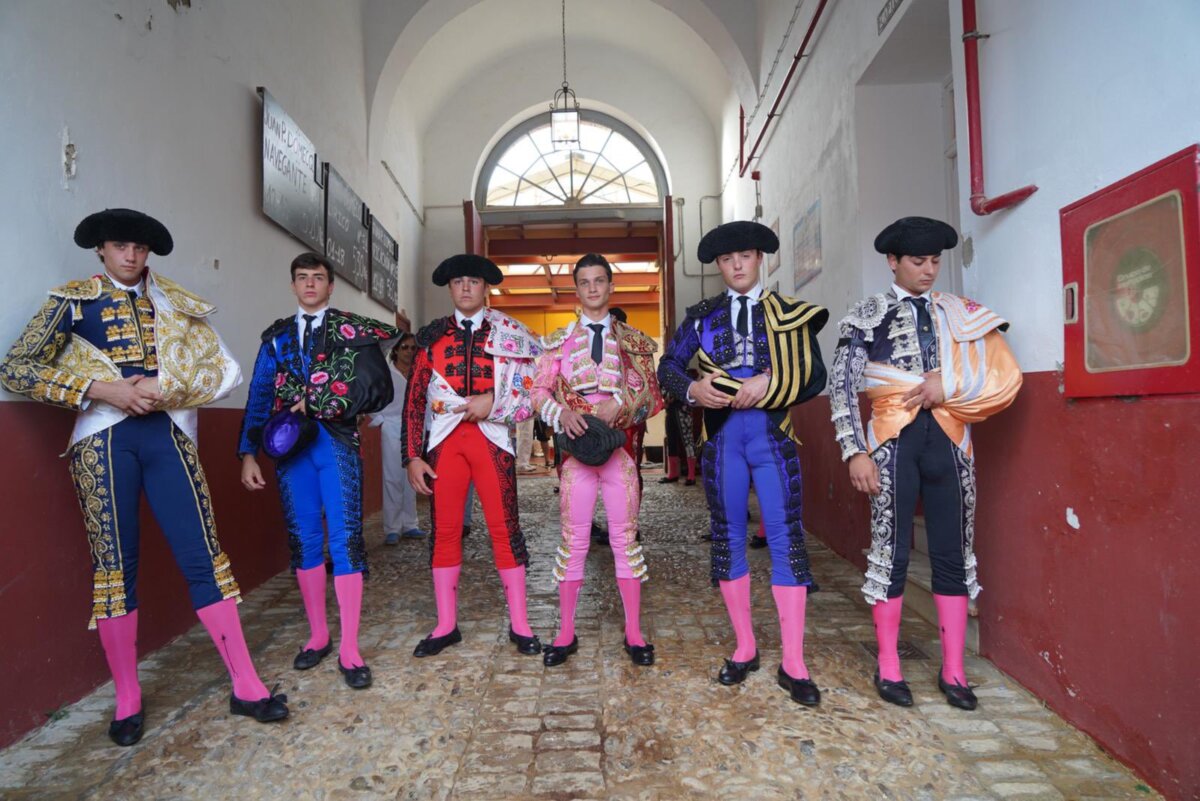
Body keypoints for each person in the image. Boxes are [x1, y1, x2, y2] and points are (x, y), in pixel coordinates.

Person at [0, 208, 288, 745]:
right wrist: (104, 390)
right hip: (102, 438)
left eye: (139, 248)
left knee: (204, 556)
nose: (130, 256)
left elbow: (218, 371)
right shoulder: (70, 301)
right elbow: (16, 367)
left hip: (167, 435)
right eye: (119, 246)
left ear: (148, 253)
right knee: (115, 567)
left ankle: (246, 684)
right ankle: (127, 698)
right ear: (101, 251)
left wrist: (165, 388)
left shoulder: (176, 303)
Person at [829, 216, 1022, 710]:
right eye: (918, 261)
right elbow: (844, 388)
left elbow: (994, 371)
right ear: (893, 262)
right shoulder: (866, 314)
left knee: (953, 550)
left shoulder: (958, 313)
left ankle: (954, 669)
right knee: (890, 551)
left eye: (936, 260)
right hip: (892, 441)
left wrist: (948, 386)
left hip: (951, 439)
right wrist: (855, 451)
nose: (929, 270)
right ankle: (890, 664)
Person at [658, 221, 828, 706]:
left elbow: (813, 375)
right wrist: (693, 389)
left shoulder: (789, 314)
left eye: (746, 256)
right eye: (728, 259)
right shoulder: (701, 317)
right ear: (718, 265)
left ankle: (793, 661)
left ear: (760, 259)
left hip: (773, 437)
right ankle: (745, 646)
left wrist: (770, 381)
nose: (737, 265)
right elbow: (668, 366)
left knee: (785, 537)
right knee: (728, 534)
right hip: (724, 441)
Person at [238, 252, 399, 690]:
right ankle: (318, 634)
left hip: (336, 442)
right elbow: (259, 393)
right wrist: (247, 452)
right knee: (305, 539)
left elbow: (377, 386)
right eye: (302, 278)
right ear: (293, 286)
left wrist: (333, 402)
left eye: (319, 278)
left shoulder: (353, 330)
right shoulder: (276, 337)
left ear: (331, 287)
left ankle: (349, 647)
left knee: (345, 538)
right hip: (291, 449)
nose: (310, 284)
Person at [402, 254, 541, 658]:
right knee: (445, 531)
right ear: (450, 288)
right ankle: (446, 625)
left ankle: (520, 623)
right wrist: (412, 455)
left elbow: (534, 384)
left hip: (491, 439)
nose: (466, 287)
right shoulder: (430, 338)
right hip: (445, 443)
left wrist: (494, 400)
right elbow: (414, 401)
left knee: (504, 528)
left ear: (486, 288)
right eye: (459, 281)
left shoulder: (511, 333)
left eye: (474, 281)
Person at [533, 255, 664, 667]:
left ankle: (634, 633)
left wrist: (619, 406)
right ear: (577, 289)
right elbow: (537, 391)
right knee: (574, 542)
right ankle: (565, 632)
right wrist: (562, 414)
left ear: (610, 287)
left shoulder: (634, 341)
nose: (592, 288)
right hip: (577, 456)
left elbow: (652, 394)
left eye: (599, 281)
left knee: (625, 541)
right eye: (585, 282)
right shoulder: (557, 341)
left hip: (617, 453)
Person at [371, 332, 425, 544]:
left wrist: (426, 425)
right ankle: (392, 527)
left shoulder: (419, 372)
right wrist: (381, 420)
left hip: (414, 426)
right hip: (392, 425)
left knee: (412, 475)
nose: (409, 352)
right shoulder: (385, 373)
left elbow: (425, 399)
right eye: (404, 347)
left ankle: (410, 523)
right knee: (392, 475)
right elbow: (372, 396)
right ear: (395, 349)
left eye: (413, 348)